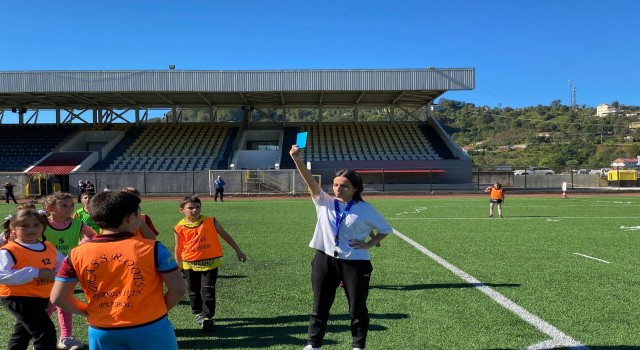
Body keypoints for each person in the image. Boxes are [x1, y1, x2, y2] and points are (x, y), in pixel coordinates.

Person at [50, 191, 187, 350]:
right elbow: (179, 289)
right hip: (150, 326)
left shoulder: (75, 254)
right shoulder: (153, 248)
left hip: (102, 330)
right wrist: (159, 310)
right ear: (131, 218)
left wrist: (88, 312)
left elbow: (58, 297)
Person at [289, 145, 393, 350]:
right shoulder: (324, 201)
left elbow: (385, 229)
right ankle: (313, 344)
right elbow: (310, 181)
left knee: (357, 308)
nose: (338, 189)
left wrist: (369, 243)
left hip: (356, 263)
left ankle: (358, 345)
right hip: (325, 259)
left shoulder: (365, 209)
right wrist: (297, 159)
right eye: (336, 184)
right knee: (320, 306)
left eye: (344, 186)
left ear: (355, 188)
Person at [174, 195, 247, 331]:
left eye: (197, 207)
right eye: (190, 208)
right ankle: (198, 312)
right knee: (193, 290)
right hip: (190, 264)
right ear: (182, 210)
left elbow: (225, 235)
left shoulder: (210, 221)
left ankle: (207, 316)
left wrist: (238, 250)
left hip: (211, 263)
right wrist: (178, 264)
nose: (195, 210)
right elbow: (178, 247)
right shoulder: (179, 227)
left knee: (208, 290)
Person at [0, 207, 65, 350]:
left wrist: (58, 273)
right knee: (45, 333)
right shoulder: (9, 250)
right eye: (24, 226)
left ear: (43, 226)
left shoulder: (48, 246)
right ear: (13, 228)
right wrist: (35, 272)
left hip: (40, 296)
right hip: (17, 297)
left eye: (36, 225)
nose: (31, 229)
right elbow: (2, 276)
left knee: (23, 332)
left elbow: (62, 263)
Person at [42, 192, 98, 350]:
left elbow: (93, 236)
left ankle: (66, 337)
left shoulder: (77, 224)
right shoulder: (41, 224)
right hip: (47, 272)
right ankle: (41, 335)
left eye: (71, 205)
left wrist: (82, 246)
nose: (69, 208)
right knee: (49, 304)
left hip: (68, 271)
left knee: (63, 303)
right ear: (49, 208)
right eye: (64, 205)